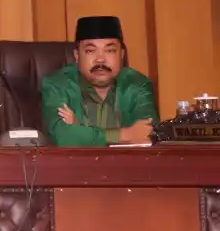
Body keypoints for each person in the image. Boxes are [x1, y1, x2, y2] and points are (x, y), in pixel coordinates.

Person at [40, 16, 156, 147]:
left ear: (121, 55)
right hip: (75, 166)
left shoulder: (138, 84)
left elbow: (147, 133)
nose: (100, 60)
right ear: (77, 56)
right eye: (90, 51)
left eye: (110, 50)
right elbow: (64, 136)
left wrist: (81, 131)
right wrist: (126, 135)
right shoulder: (57, 85)